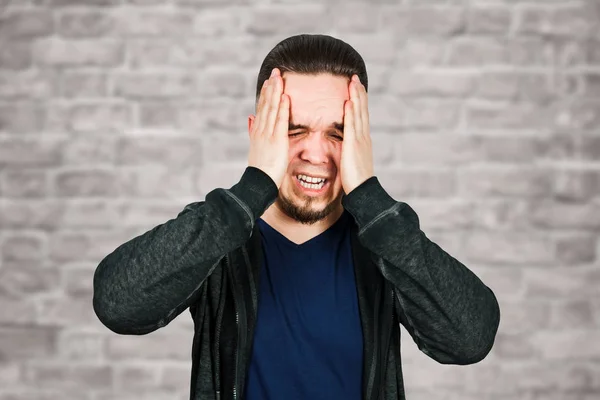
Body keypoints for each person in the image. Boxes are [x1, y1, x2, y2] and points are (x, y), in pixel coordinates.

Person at [93, 34, 501, 400]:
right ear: (259, 133)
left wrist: (372, 200)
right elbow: (118, 304)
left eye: (338, 133)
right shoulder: (217, 234)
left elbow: (469, 339)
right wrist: (252, 188)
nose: (316, 153)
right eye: (293, 130)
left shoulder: (384, 243)